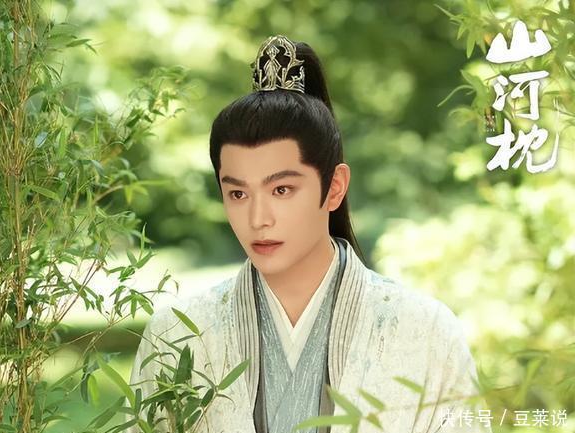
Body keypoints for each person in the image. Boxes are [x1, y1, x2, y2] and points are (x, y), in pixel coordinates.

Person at [127, 35, 491, 433]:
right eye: (238, 193)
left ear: (334, 188)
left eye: (282, 190)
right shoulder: (177, 334)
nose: (258, 219)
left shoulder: (425, 330)